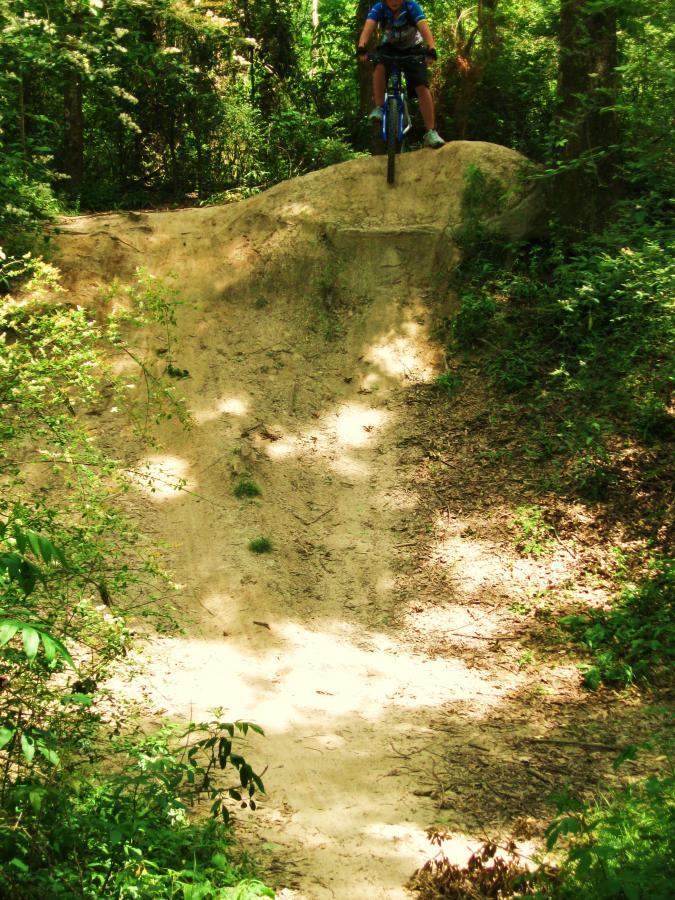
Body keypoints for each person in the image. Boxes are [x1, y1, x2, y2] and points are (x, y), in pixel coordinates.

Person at [357, 0, 445, 149]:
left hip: (413, 49)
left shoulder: (411, 6)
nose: (394, 2)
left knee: (422, 86)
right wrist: (361, 46)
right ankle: (379, 107)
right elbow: (368, 27)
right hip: (390, 47)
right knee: (379, 64)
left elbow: (424, 29)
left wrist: (431, 48)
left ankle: (430, 131)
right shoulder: (379, 8)